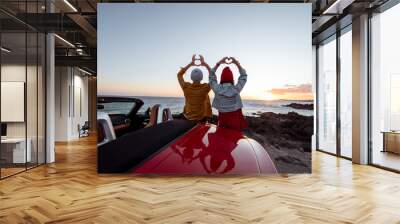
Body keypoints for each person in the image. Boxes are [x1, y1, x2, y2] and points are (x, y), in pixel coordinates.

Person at [208, 57, 248, 131]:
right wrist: (236, 63)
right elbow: (244, 76)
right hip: (235, 122)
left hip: (222, 121)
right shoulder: (236, 89)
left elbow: (211, 75)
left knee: (223, 139)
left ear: (221, 77)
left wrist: (219, 63)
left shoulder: (217, 89)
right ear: (232, 77)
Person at [177, 55, 212, 122]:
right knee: (206, 97)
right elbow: (213, 78)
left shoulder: (186, 87)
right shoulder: (205, 88)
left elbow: (179, 75)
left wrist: (191, 64)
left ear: (191, 77)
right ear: (202, 78)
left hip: (188, 119)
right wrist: (205, 64)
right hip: (201, 119)